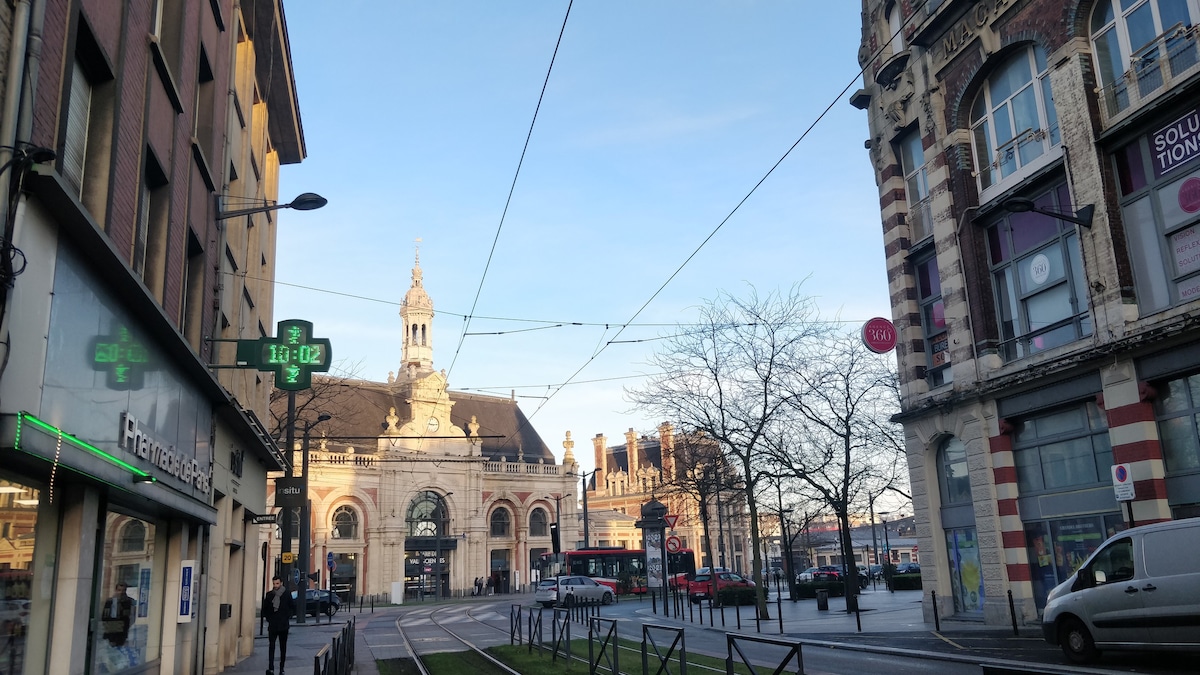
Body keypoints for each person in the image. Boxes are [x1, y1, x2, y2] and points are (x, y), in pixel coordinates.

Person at [262, 576, 296, 675]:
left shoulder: (286, 594)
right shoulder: (269, 595)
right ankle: (271, 668)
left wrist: (287, 617)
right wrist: (269, 619)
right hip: (273, 625)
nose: (275, 585)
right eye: (274, 583)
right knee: (271, 647)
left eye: (277, 583)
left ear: (281, 583)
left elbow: (292, 607)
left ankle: (282, 669)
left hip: (283, 625)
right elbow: (265, 609)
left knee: (283, 647)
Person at [101, 582, 134, 646]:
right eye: (119, 590)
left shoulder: (129, 602)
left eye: (123, 590)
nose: (121, 592)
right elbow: (104, 616)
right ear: (116, 590)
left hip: (121, 630)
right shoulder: (110, 601)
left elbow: (131, 617)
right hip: (110, 629)